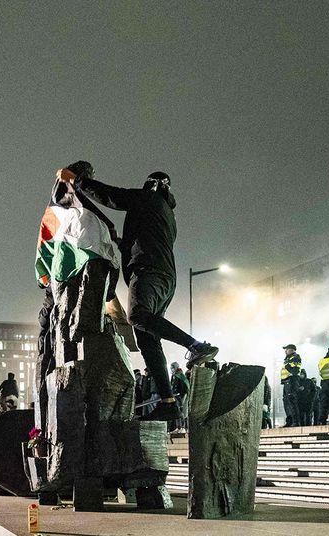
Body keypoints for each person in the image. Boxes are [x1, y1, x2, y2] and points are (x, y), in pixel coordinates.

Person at [57, 167, 218, 421]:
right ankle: (168, 402)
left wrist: (76, 180)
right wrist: (121, 242)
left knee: (137, 315)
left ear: (153, 185)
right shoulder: (165, 213)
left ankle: (196, 346)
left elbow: (112, 197)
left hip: (148, 270)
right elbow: (145, 238)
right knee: (147, 339)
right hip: (164, 277)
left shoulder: (148, 198)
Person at [281, 344, 303, 427]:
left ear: (292, 349)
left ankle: (296, 422)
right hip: (286, 381)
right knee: (286, 402)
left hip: (291, 381)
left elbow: (295, 370)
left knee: (292, 402)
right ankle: (290, 421)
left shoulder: (295, 357)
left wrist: (287, 366)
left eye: (286, 349)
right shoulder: (288, 358)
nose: (285, 351)